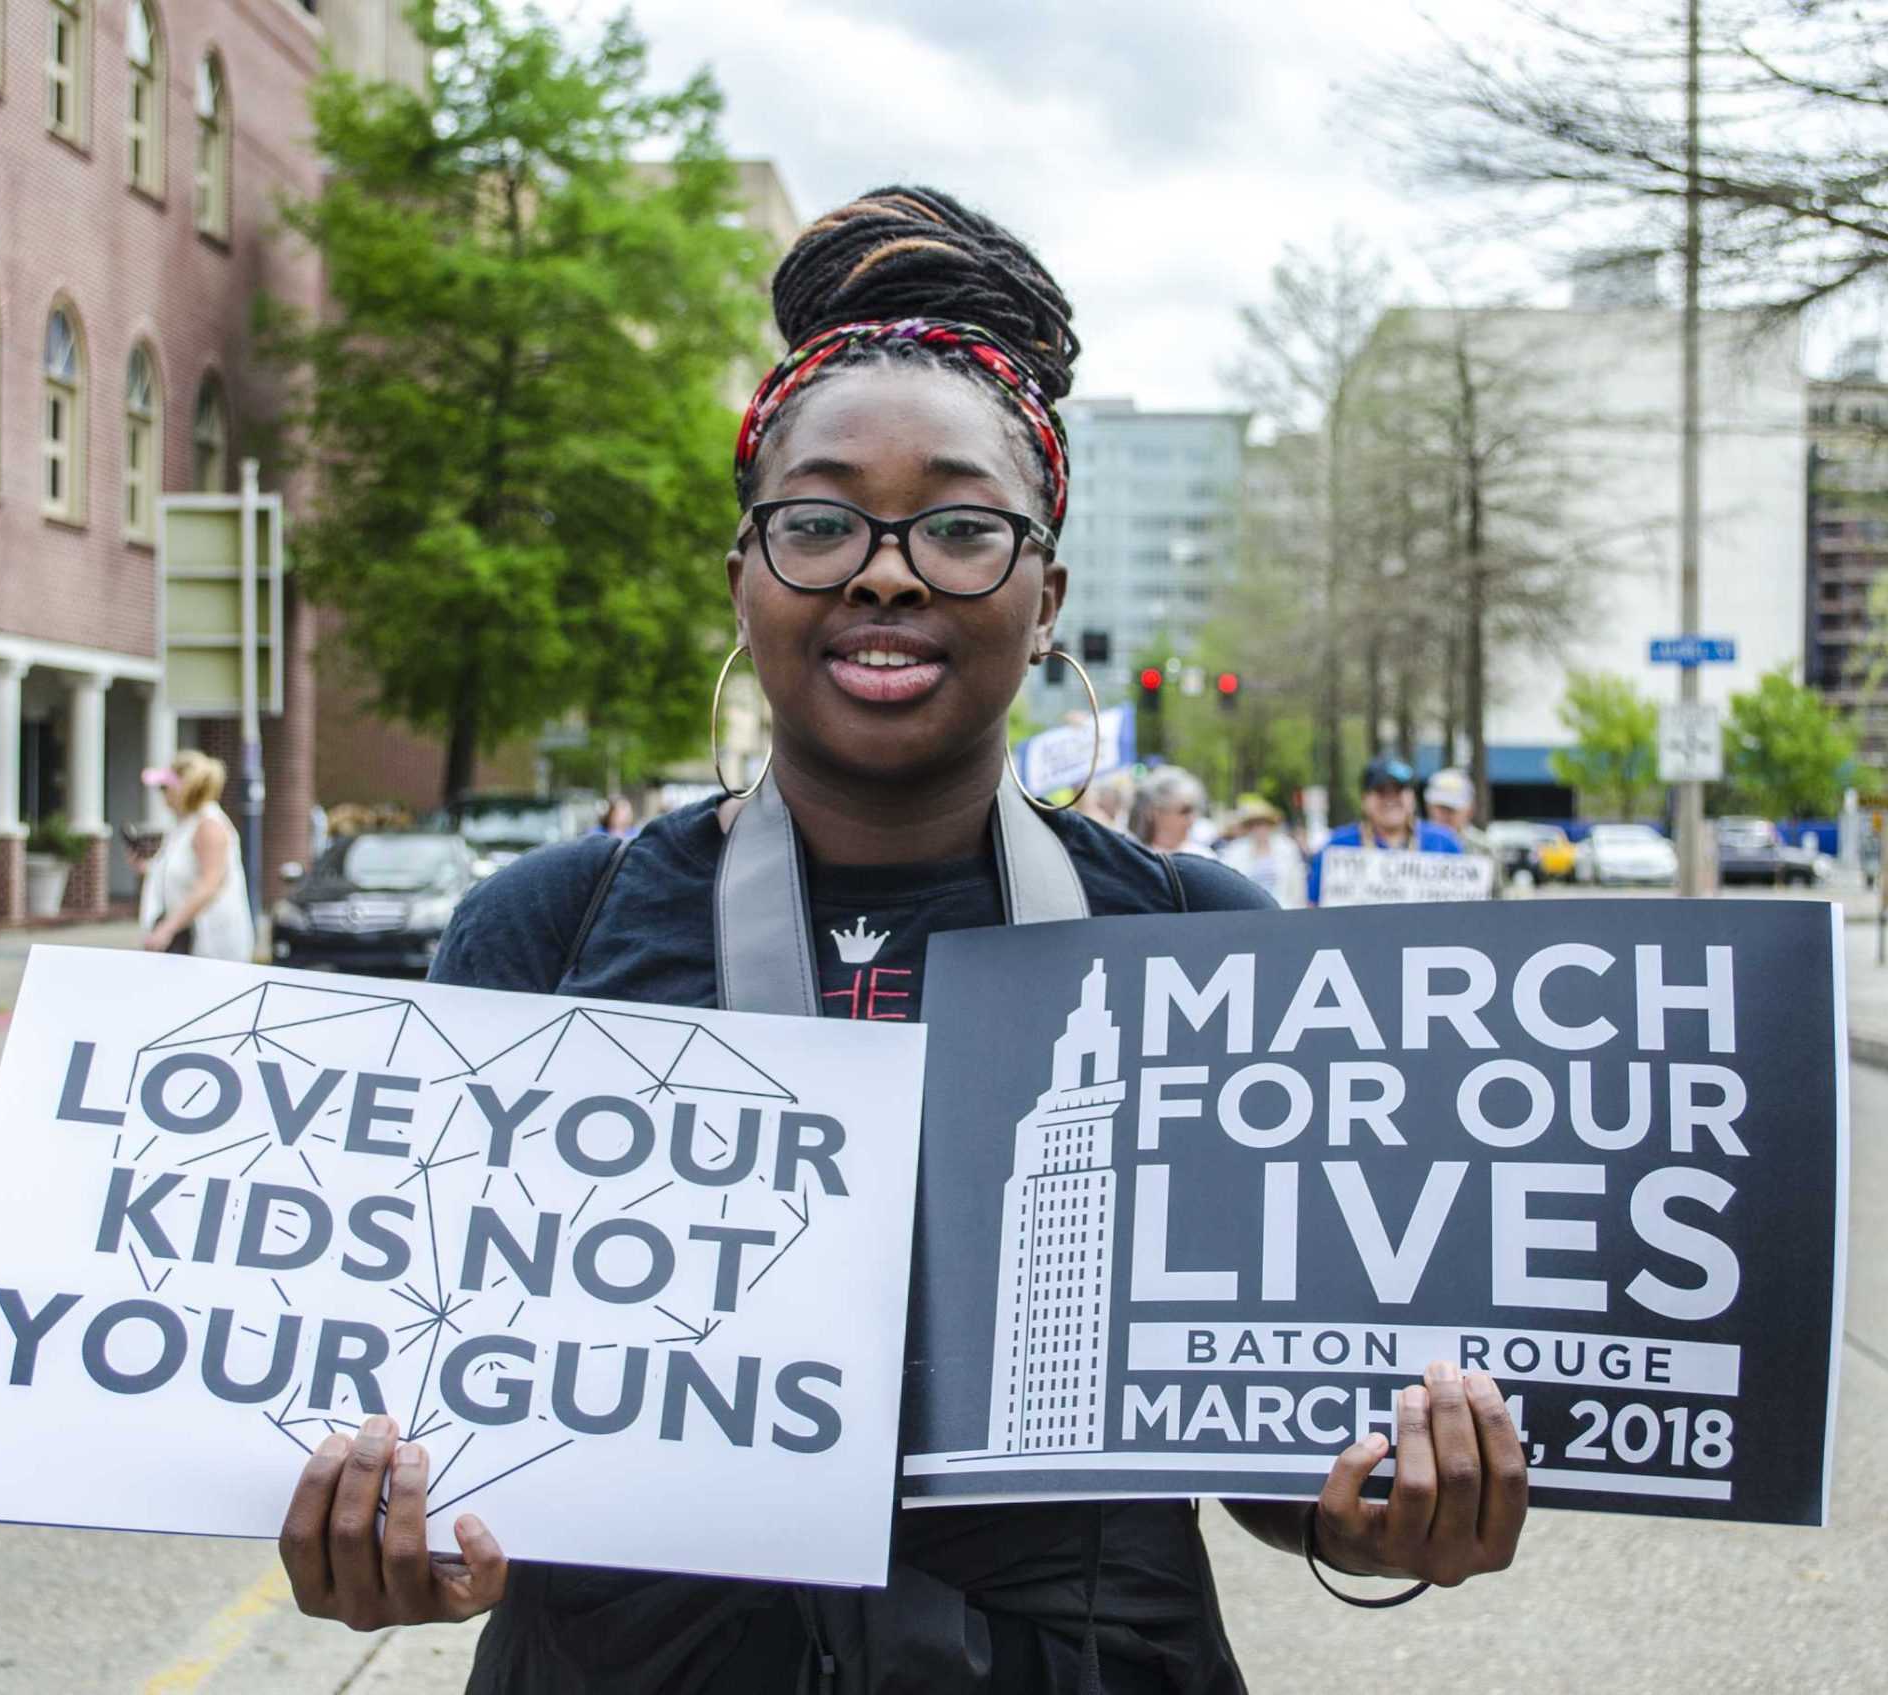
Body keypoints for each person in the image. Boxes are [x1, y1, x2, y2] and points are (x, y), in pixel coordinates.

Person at [275, 185, 1526, 1693]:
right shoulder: (548, 930)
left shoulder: (1203, 944)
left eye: (957, 523)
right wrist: (391, 1521)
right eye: (818, 520)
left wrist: (1399, 1500)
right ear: (742, 572)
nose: (884, 567)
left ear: (1046, 591)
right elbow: (444, 1413)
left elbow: (1273, 1463)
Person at [127, 750, 253, 962]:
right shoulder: (185, 824)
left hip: (212, 949)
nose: (162, 794)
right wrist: (146, 868)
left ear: (183, 788)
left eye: (164, 787)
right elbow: (181, 872)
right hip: (192, 944)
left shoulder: (209, 826)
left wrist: (167, 929)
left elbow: (209, 884)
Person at [1305, 756, 1465, 906]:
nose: (1391, 799)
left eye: (1399, 791)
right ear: (1364, 799)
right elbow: (1313, 908)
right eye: (1381, 791)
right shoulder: (1337, 847)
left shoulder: (1444, 843)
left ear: (1412, 798)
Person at [1216, 796, 1308, 907]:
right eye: (1255, 824)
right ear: (1249, 827)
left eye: (1263, 823)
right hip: (1250, 911)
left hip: (1283, 909)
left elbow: (1297, 886)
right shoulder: (1236, 851)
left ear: (1270, 825)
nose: (1260, 828)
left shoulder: (1287, 847)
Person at [1126, 764, 1209, 854]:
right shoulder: (1134, 856)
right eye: (1184, 811)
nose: (1191, 819)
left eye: (1193, 811)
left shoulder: (1203, 856)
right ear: (1155, 812)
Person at [1422, 767, 1493, 860]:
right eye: (1441, 807)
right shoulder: (1414, 840)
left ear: (1470, 809)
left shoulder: (1483, 848)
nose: (1446, 814)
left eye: (1452, 808)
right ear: (1428, 806)